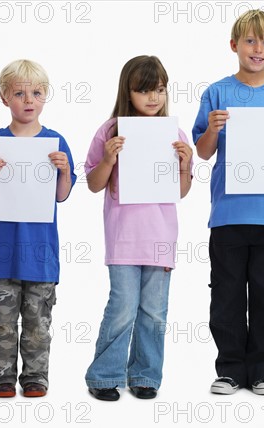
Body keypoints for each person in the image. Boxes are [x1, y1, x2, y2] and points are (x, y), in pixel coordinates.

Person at [192, 9, 264, 395]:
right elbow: (203, 152)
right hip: (227, 214)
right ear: (234, 45)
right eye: (251, 41)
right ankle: (229, 369)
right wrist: (211, 128)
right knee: (225, 293)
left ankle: (263, 370)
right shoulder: (218, 92)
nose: (258, 49)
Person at [84, 55, 193, 401]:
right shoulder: (111, 130)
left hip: (161, 238)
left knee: (154, 312)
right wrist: (108, 159)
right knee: (122, 307)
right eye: (143, 90)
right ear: (127, 92)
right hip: (124, 238)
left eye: (159, 89)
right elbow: (92, 183)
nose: (153, 97)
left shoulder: (174, 134)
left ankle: (145, 375)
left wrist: (185, 165)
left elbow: (180, 192)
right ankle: (104, 376)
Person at [0, 59, 76, 398]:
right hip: (1, 254)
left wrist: (63, 171)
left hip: (40, 254)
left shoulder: (56, 142)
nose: (28, 99)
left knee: (38, 325)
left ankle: (36, 377)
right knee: (1, 323)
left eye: (36, 92)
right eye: (19, 93)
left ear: (45, 96)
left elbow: (62, 197)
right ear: (5, 98)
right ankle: (1, 377)